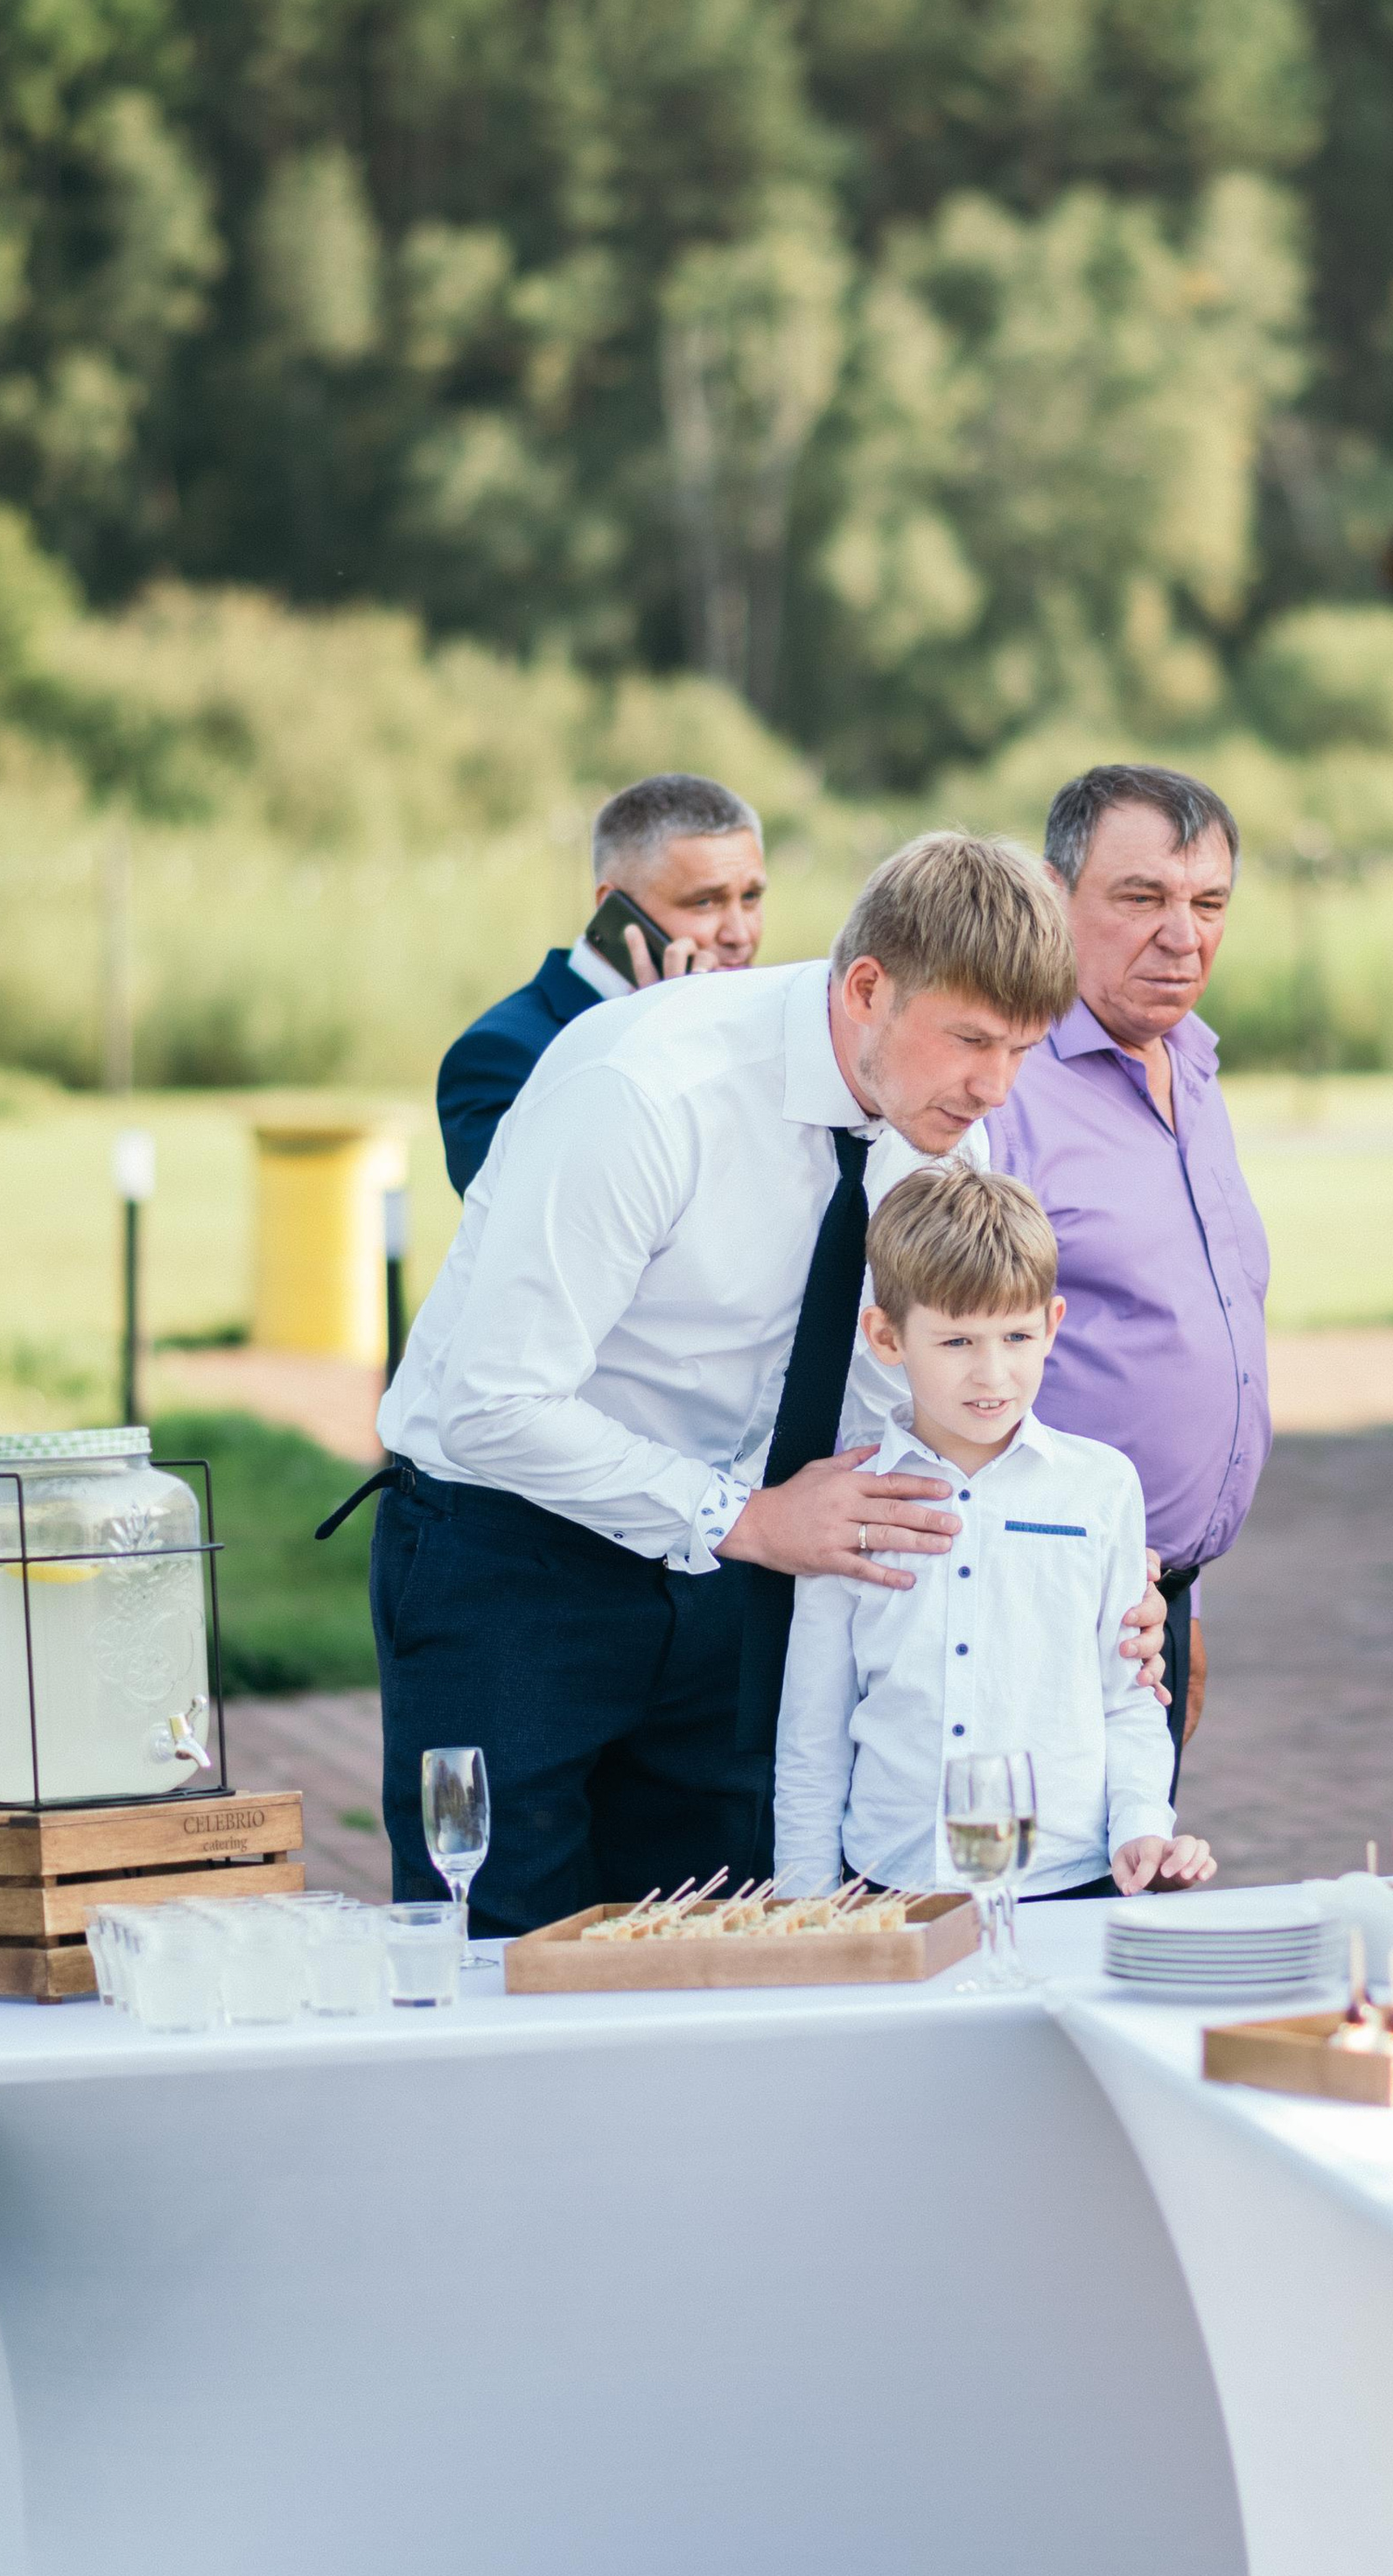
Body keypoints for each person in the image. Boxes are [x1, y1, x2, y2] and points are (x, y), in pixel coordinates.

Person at [353, 834, 1162, 1935]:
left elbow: (907, 1405)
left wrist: (1072, 1572)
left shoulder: (944, 1137)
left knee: (712, 1952)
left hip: (742, 1580)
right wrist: (746, 1517)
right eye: (971, 1039)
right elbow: (489, 1404)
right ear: (867, 987)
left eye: (1023, 1049)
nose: (993, 1087)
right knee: (506, 1952)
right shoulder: (642, 1089)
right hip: (512, 1563)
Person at [774, 1164, 1216, 1901]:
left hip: (1069, 1877)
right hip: (890, 1880)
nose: (993, 1375)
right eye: (956, 1343)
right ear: (886, 1336)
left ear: (1053, 1325)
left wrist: (1142, 1823)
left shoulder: (1101, 1488)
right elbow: (813, 1731)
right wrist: (804, 1903)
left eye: (1016, 1336)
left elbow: (1130, 1693)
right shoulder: (852, 1503)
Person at [986, 763, 1271, 1774]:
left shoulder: (1190, 1059)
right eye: (1141, 897)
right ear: (1056, 899)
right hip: (1039, 1598)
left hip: (1160, 1597)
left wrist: (1178, 1597)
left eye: (1207, 904)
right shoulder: (1000, 1089)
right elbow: (928, 1378)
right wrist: (1116, 1581)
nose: (1183, 935)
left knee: (1131, 1883)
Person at [436, 772, 768, 1194]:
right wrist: (658, 1044)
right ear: (614, 907)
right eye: (705, 902)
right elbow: (553, 1219)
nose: (740, 934)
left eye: (752, 898)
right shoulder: (498, 1056)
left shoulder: (753, 1027)